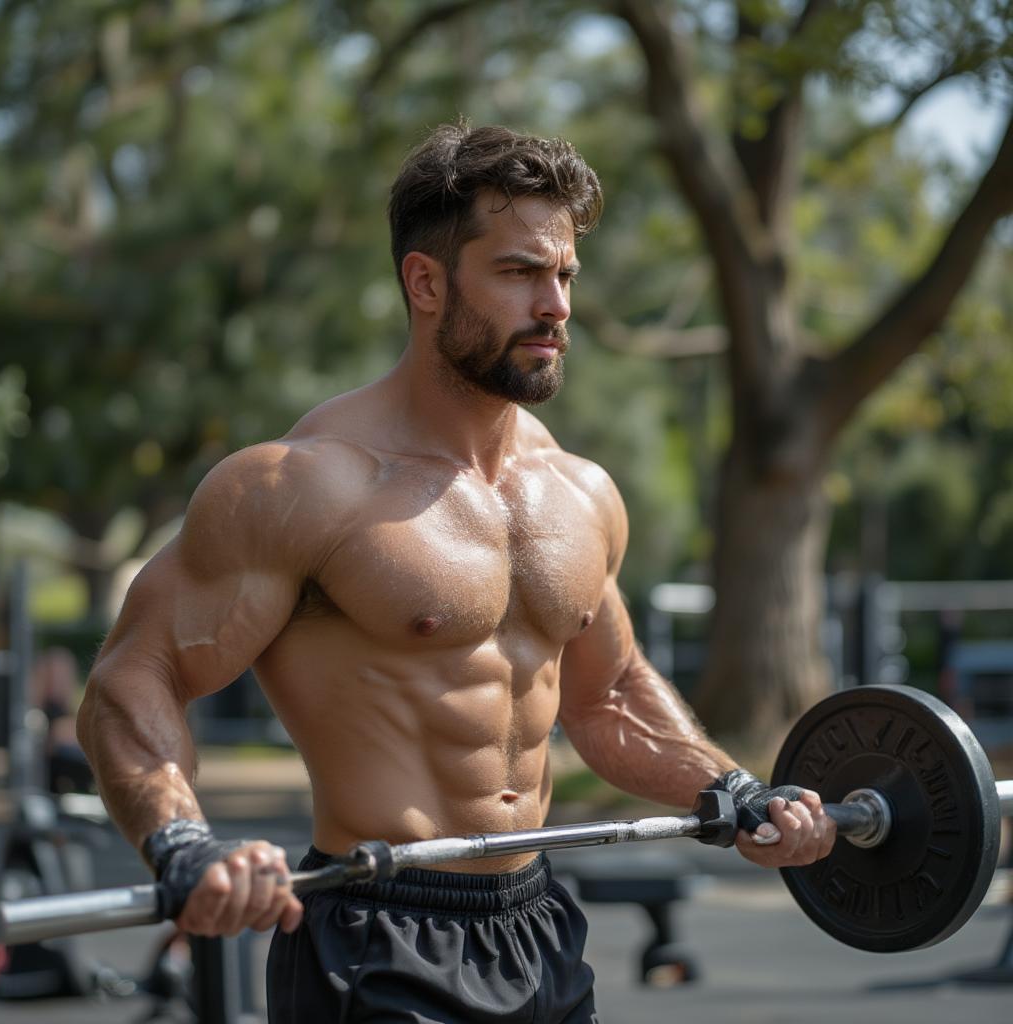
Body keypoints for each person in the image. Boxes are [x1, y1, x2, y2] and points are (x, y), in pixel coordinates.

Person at [77, 122, 836, 1023]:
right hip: (373, 932)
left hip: (538, 925)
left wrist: (739, 792)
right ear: (426, 282)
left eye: (564, 275)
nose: (555, 304)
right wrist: (184, 845)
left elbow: (610, 695)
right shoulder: (303, 487)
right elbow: (133, 677)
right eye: (519, 272)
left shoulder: (578, 493)